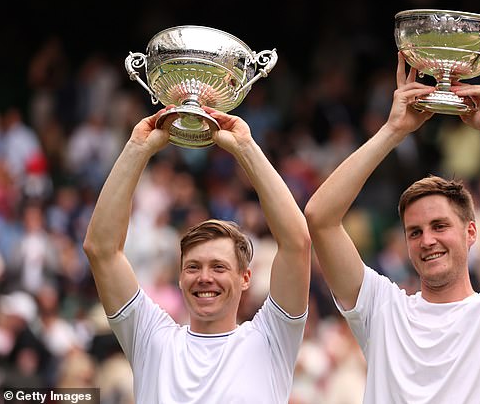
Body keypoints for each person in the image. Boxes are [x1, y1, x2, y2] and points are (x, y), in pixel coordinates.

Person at [304, 53, 480, 404]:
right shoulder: (383, 309)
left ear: (471, 233)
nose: (427, 240)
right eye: (414, 232)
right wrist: (392, 131)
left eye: (439, 226)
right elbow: (320, 217)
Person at [83, 105, 311, 403]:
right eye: (193, 267)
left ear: (245, 278)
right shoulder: (152, 339)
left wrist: (245, 148)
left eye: (218, 267)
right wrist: (137, 148)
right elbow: (101, 250)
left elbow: (297, 244)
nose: (204, 278)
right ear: (180, 278)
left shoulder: (271, 338)